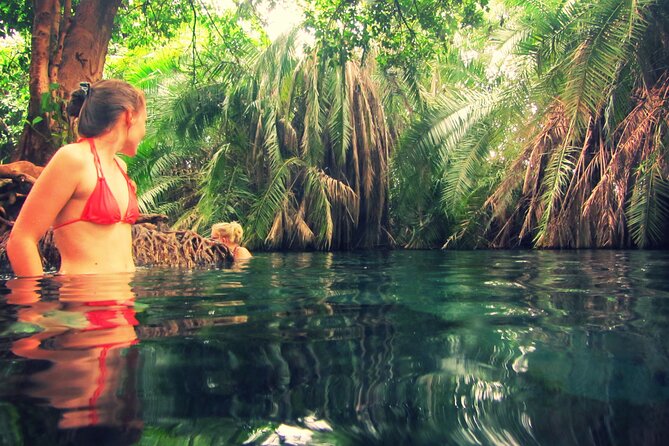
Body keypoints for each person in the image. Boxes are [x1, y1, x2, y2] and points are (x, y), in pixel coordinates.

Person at [7, 80, 146, 276]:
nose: (144, 132)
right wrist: (31, 304)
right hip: (82, 301)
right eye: (145, 122)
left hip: (123, 302)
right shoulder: (73, 159)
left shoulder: (120, 167)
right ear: (129, 116)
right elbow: (21, 239)